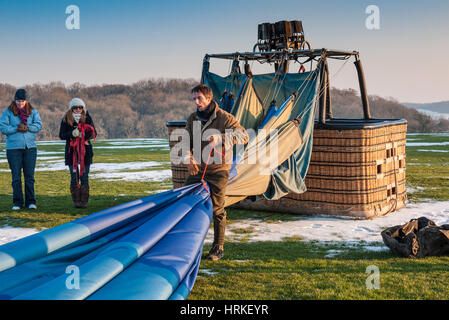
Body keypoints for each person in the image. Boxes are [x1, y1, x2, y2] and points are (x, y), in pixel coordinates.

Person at [184, 84, 248, 261]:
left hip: (219, 170)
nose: (196, 102)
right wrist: (189, 159)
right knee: (185, 202)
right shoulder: (192, 119)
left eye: (199, 98)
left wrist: (221, 138)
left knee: (217, 209)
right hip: (197, 170)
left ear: (209, 98)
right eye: (194, 99)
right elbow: (185, 143)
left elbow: (243, 135)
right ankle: (186, 243)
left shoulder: (225, 118)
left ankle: (217, 248)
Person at [0, 89, 42, 210]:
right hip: (13, 149)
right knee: (16, 177)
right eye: (18, 100)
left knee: (29, 176)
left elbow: (39, 125)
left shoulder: (33, 112)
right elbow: (3, 128)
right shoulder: (7, 112)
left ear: (26, 101)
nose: (20, 103)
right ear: (15, 100)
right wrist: (16, 128)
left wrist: (28, 128)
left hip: (30, 148)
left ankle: (31, 202)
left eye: (22, 101)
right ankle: (17, 202)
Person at [59, 98, 96, 209]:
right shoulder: (66, 119)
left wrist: (83, 135)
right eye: (75, 108)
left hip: (85, 151)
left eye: (80, 107)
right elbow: (62, 135)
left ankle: (84, 201)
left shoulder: (87, 118)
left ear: (83, 108)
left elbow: (94, 133)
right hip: (72, 152)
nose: (78, 110)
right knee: (74, 176)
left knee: (84, 176)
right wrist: (72, 133)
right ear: (71, 109)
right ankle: (76, 201)